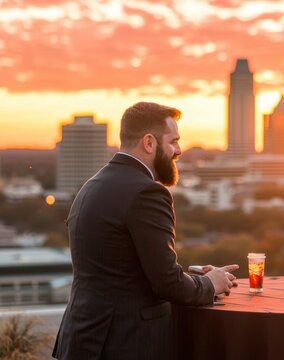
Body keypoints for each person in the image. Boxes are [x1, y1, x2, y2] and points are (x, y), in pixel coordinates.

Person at [53, 102, 238, 360]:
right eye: (173, 141)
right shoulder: (147, 192)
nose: (179, 150)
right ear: (149, 142)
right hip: (125, 344)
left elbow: (121, 272)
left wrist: (192, 276)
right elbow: (166, 283)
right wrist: (209, 284)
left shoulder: (92, 186)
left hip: (82, 342)